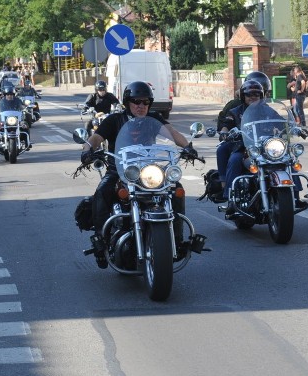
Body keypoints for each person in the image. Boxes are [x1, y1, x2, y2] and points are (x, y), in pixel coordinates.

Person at [79, 81, 195, 267]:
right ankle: (100, 239)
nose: (141, 106)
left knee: (176, 190)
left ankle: (177, 238)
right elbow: (96, 138)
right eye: (136, 101)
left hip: (148, 172)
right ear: (127, 102)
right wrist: (87, 150)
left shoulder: (154, 119)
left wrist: (188, 147)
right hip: (119, 170)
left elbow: (172, 133)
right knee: (103, 191)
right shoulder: (114, 120)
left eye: (145, 102)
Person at [214, 79, 268, 209]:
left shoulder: (267, 110)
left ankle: (294, 194)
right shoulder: (236, 111)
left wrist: (291, 128)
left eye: (256, 94)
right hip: (243, 146)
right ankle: (230, 195)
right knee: (234, 159)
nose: (253, 97)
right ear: (244, 96)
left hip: (265, 147)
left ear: (261, 96)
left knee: (287, 160)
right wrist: (224, 133)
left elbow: (280, 122)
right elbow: (226, 125)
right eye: (249, 95)